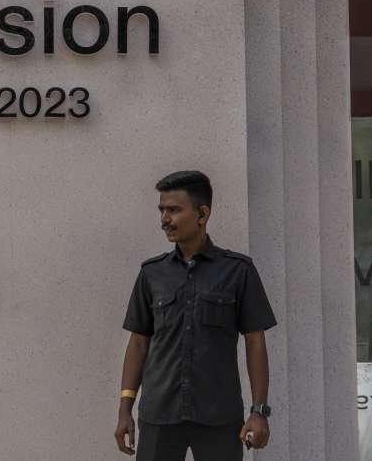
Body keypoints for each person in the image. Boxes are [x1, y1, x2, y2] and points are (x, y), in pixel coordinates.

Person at [113, 171, 277, 460]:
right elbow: (138, 343)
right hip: (159, 415)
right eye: (162, 210)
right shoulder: (152, 274)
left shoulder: (238, 271)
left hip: (218, 416)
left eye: (174, 210)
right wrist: (125, 408)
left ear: (202, 214)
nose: (165, 219)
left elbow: (255, 341)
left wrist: (258, 411)